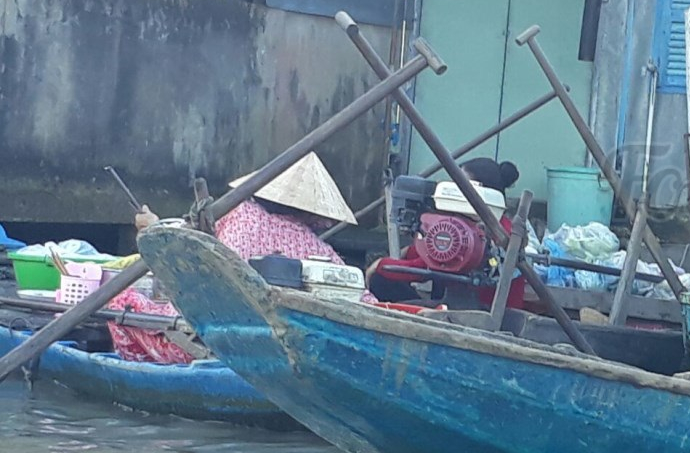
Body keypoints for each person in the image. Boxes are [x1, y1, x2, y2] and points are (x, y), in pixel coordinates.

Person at [109, 152, 369, 364]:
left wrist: (153, 228)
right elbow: (367, 302)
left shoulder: (240, 214)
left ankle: (142, 365)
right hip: (280, 349)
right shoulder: (316, 246)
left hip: (204, 343)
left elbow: (184, 247)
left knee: (118, 302)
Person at [366, 157, 525, 309]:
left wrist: (380, 265)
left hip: (480, 311)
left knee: (380, 280)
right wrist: (409, 251)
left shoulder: (486, 232)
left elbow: (429, 266)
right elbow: (434, 251)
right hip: (475, 304)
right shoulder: (504, 225)